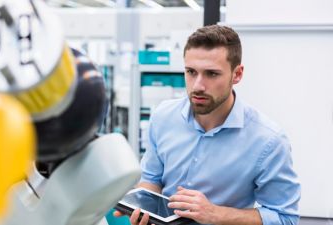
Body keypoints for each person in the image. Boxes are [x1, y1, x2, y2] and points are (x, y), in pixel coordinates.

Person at [114, 25, 301, 225]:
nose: (198, 86)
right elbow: (152, 179)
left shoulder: (268, 141)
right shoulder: (163, 116)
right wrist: (141, 207)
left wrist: (215, 214)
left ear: (237, 74)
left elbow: (285, 218)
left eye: (211, 74)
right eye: (191, 72)